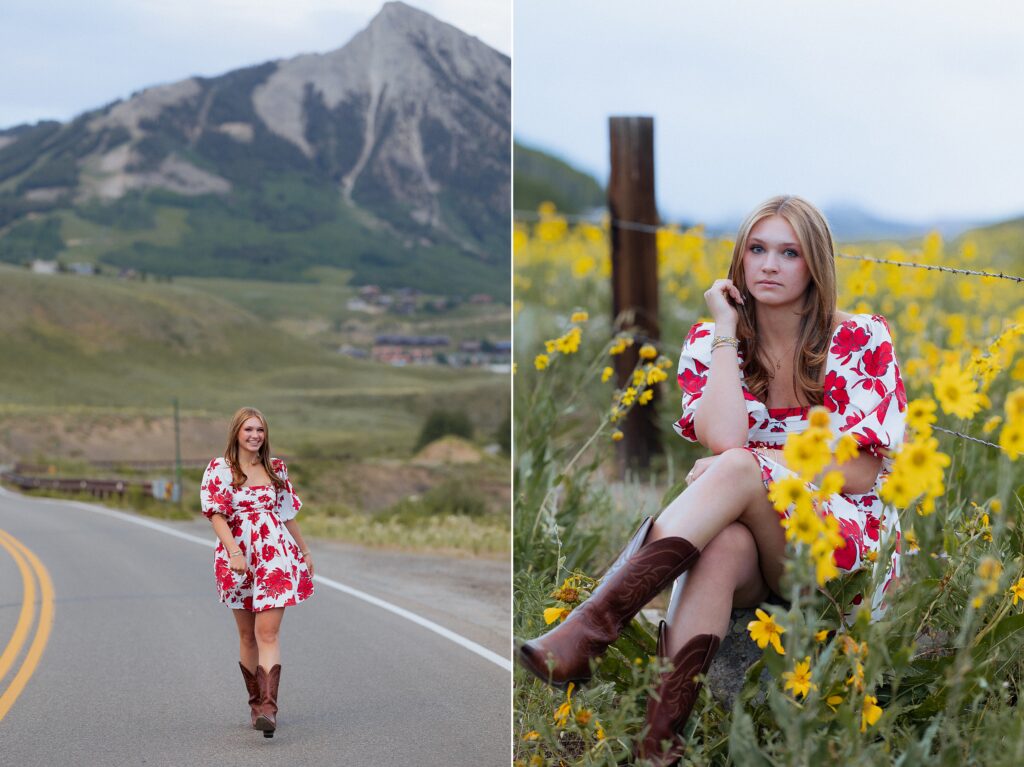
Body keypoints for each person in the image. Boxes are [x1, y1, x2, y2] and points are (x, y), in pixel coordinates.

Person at [517, 195, 907, 764]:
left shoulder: (859, 339)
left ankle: (593, 628)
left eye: (789, 253)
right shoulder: (711, 341)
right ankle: (658, 747)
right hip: (763, 549)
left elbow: (861, 469)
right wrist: (727, 328)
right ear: (740, 258)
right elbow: (725, 438)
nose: (769, 265)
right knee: (722, 541)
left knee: (739, 468)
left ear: (815, 264)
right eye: (757, 249)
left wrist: (759, 463)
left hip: (840, 549)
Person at [200, 407, 315, 738]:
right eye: (248, 429)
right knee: (247, 635)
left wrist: (305, 551)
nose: (255, 435)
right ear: (236, 433)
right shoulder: (221, 469)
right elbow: (217, 515)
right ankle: (255, 705)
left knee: (268, 633)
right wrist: (234, 552)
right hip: (238, 557)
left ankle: (269, 708)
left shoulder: (276, 468)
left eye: (260, 430)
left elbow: (286, 513)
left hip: (274, 555)